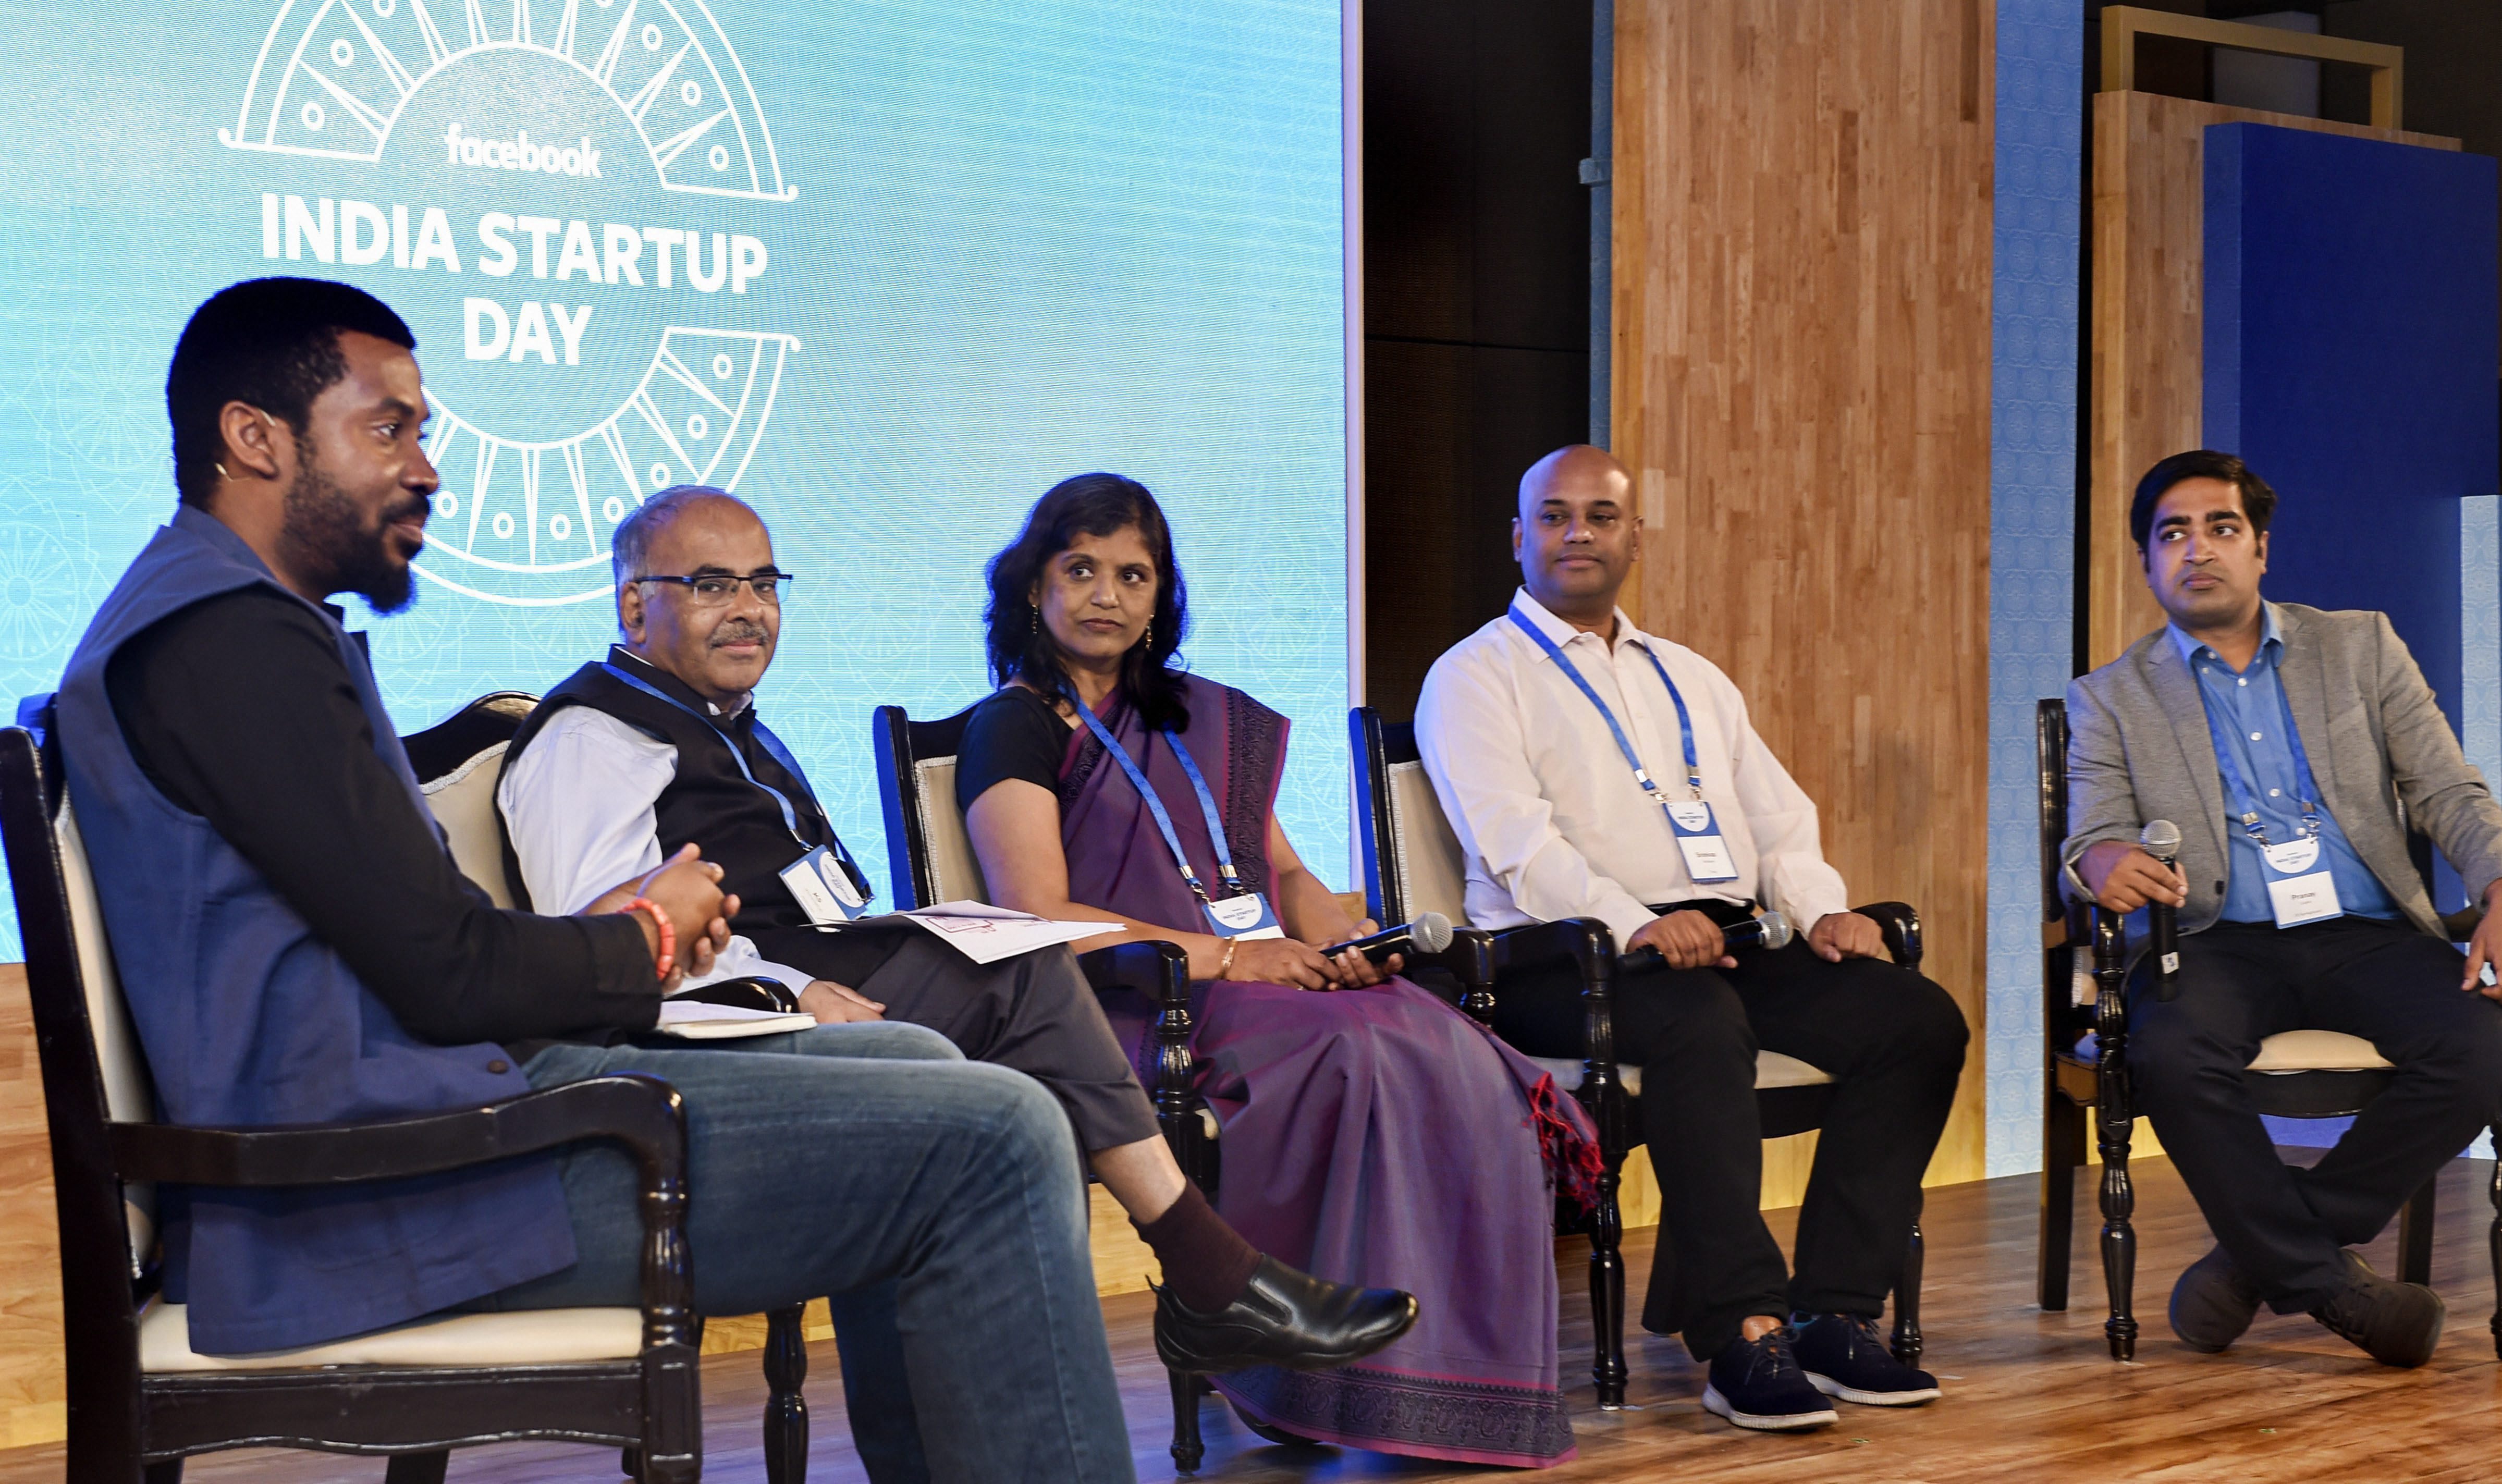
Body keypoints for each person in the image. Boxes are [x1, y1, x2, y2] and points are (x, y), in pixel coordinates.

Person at [52, 277, 1134, 1481]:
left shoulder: (219, 621)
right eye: (389, 427)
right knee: (999, 1133)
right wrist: (647, 938)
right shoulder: (228, 639)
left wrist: (634, 945)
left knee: (929, 1065)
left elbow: (423, 951)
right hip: (374, 1196)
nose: (427, 470)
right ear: (254, 438)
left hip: (423, 1135)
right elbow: (449, 971)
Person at [494, 483, 1414, 1380]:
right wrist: (790, 988)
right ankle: (1211, 1277)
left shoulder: (724, 725)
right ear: (632, 603)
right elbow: (609, 944)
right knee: (1024, 969)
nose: (749, 611)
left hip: (820, 969)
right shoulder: (592, 738)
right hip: (730, 1029)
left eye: (765, 585)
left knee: (1015, 985)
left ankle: (1175, 1300)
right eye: (712, 585)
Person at [953, 472, 1601, 1468]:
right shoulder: (1016, 724)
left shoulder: (1195, 716)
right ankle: (1308, 1368)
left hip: (1259, 981)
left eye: (1134, 575)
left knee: (1442, 1043)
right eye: (1079, 569)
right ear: (1032, 585)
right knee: (1359, 1056)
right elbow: (1037, 914)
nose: (1107, 595)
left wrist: (1346, 938)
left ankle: (1455, 1386)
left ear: (1160, 596)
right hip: (1137, 997)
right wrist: (1229, 957)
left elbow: (1286, 872)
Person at [1413, 444, 1967, 1432]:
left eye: (1600, 515)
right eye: (1553, 515)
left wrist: (1822, 909)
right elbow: (1518, 844)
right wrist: (1637, 923)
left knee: (1916, 1021)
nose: (1577, 532)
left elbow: (1779, 818)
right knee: (1700, 1023)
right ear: (1519, 536)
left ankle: (1833, 1313)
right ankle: (1739, 1333)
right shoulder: (1475, 676)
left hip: (1724, 940)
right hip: (1561, 954)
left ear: (1636, 537)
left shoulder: (1693, 677)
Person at [2063, 448, 2502, 1368]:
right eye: (2171, 534)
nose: (2196, 550)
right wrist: (2101, 857)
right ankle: (2335, 1289)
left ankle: (2250, 1269)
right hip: (2215, 940)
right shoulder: (2110, 696)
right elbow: (2092, 835)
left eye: (2220, 528)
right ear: (2147, 562)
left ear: (2261, 548)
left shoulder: (2361, 646)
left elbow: (2449, 793)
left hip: (2367, 932)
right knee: (2171, 1055)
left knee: (2484, 1041)